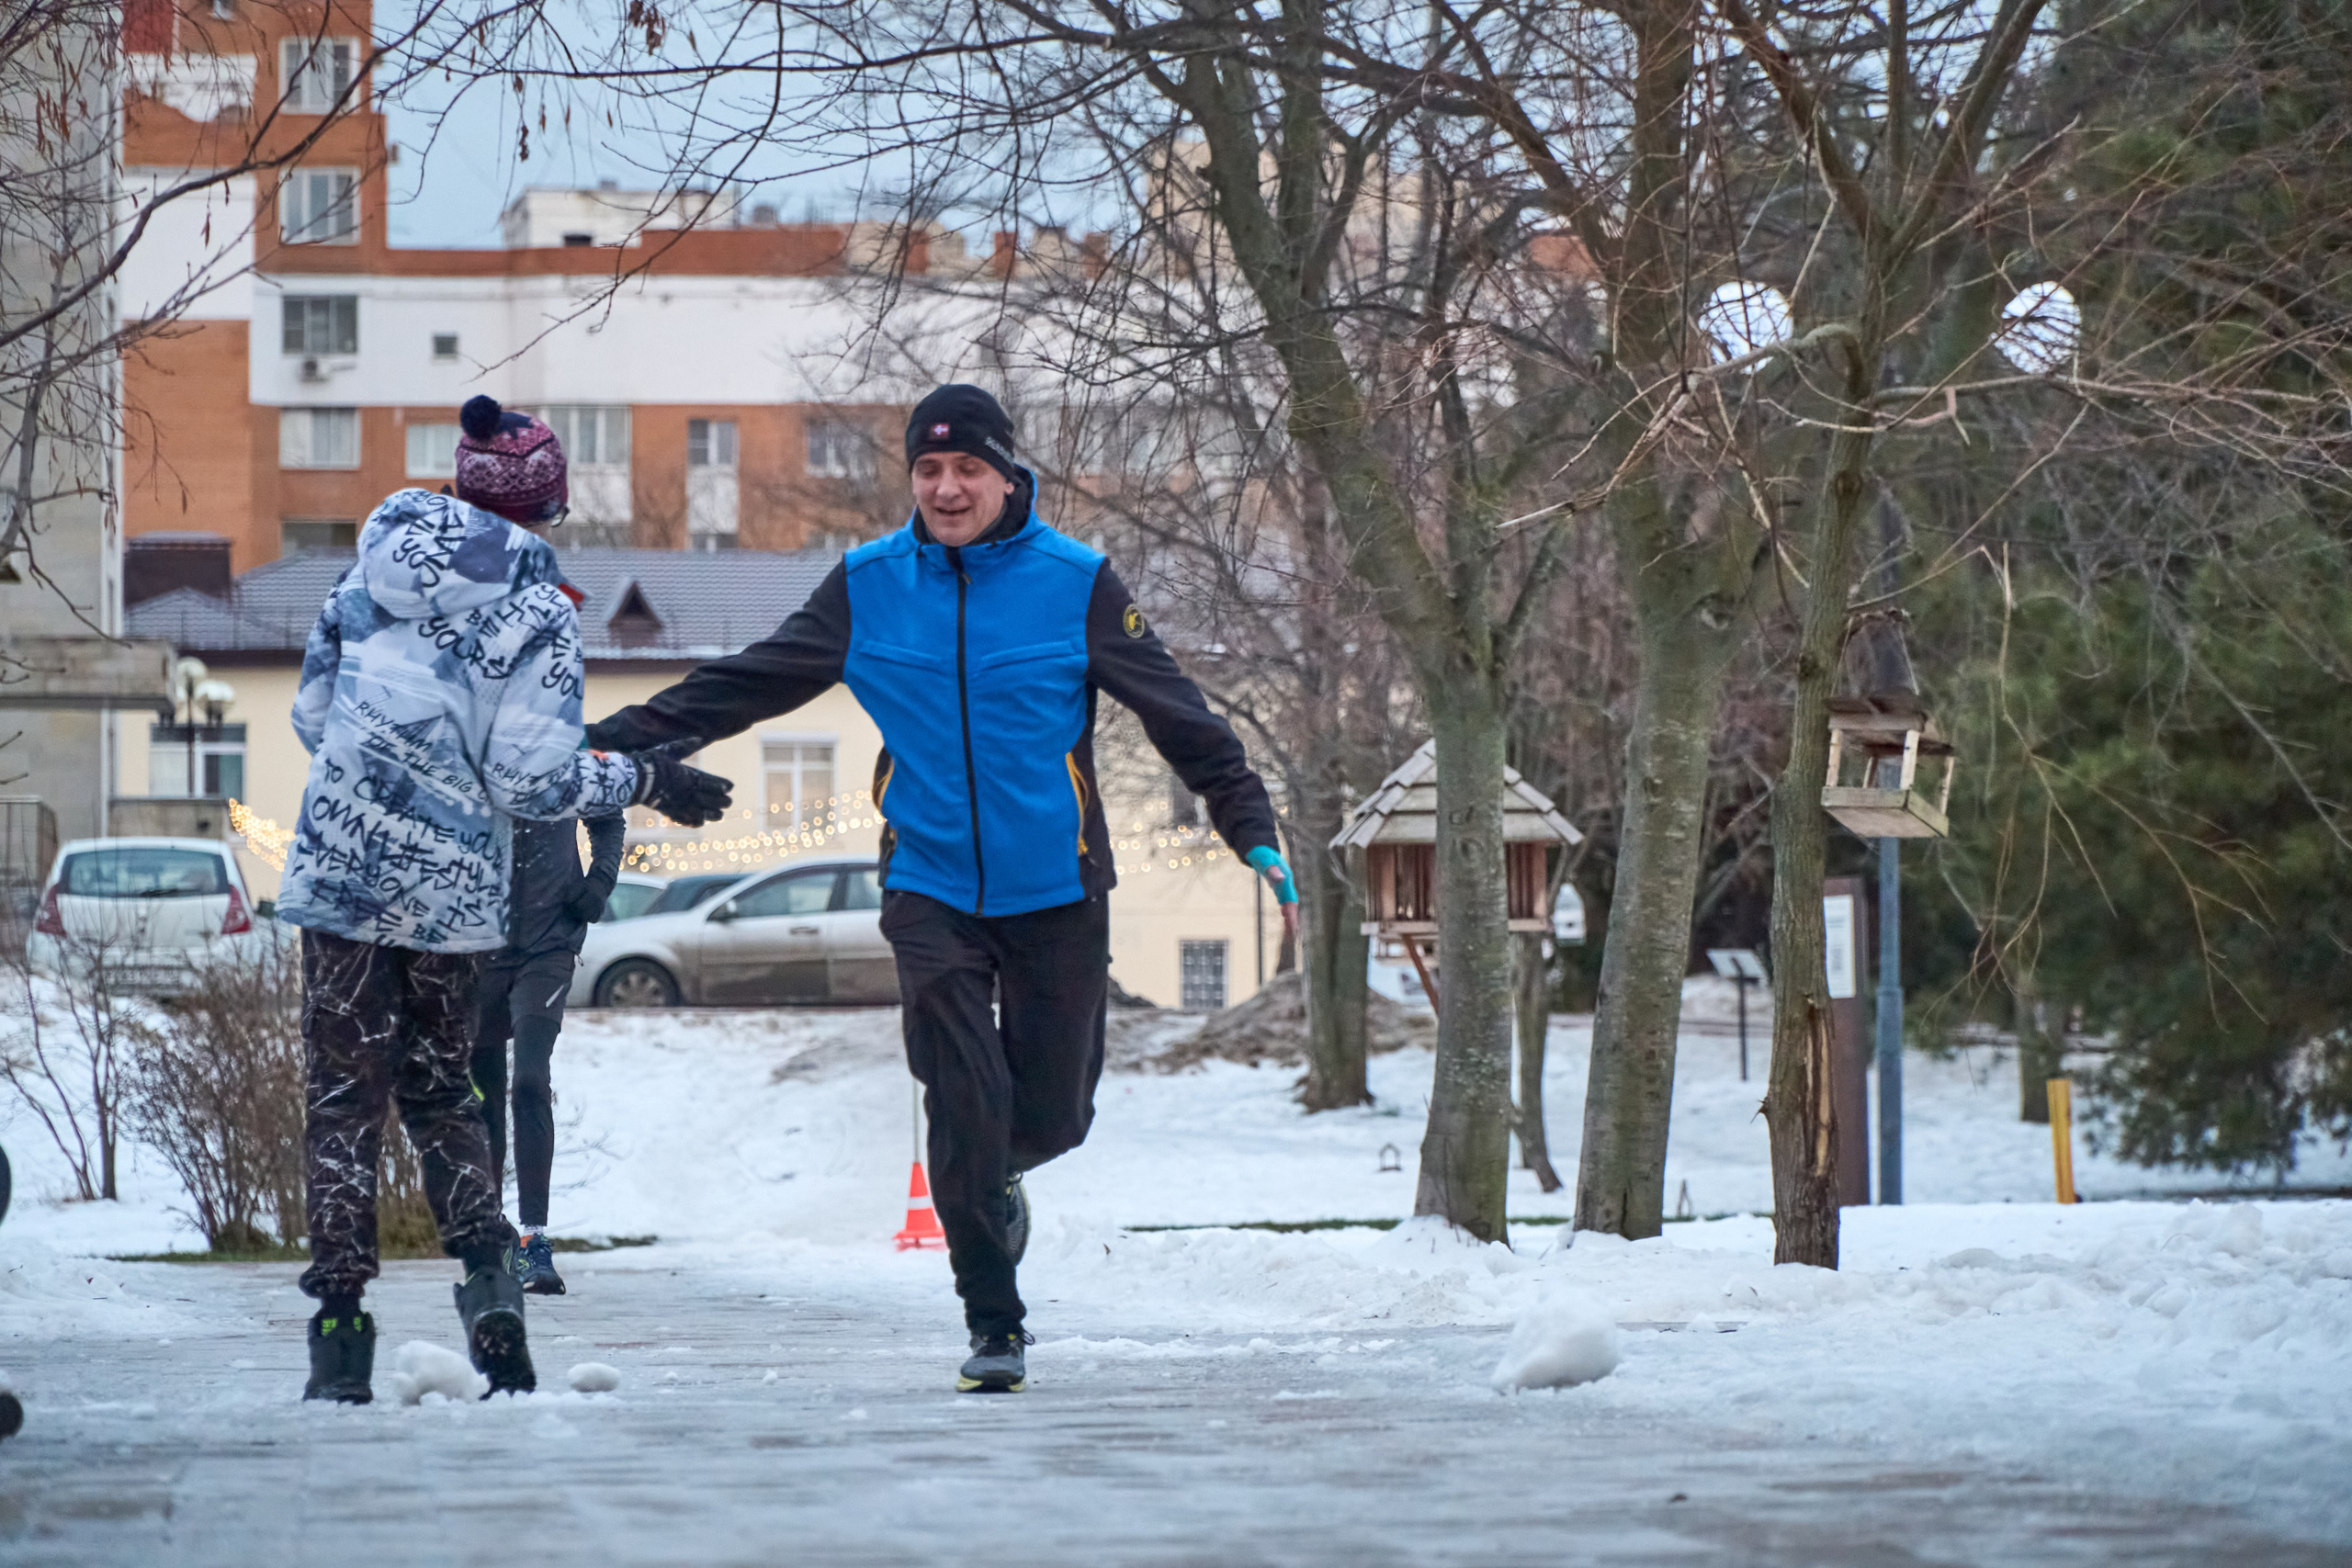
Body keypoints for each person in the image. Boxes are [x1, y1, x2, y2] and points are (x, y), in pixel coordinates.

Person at [585, 384, 1299, 1393]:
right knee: (961, 1102)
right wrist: (606, 742)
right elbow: (746, 681)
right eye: (929, 469)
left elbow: (1181, 716)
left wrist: (1249, 826)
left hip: (1057, 886)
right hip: (927, 884)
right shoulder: (869, 585)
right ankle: (994, 1322)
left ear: (1011, 479)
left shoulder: (1077, 581)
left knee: (1051, 1117)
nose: (948, 487)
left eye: (968, 469)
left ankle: (995, 1179)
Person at [280, 396, 732, 1404]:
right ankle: (492, 1293)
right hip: (450, 897)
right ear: (548, 503)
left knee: (343, 1104)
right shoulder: (537, 615)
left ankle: (341, 1338)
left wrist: (389, 776)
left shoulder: (360, 580)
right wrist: (646, 778)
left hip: (339, 875)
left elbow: (315, 718)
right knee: (446, 1095)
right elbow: (534, 782)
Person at [470, 730, 627, 1296]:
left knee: (531, 1080)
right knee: (480, 1094)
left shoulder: (565, 741)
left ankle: (536, 1242)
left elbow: (608, 817)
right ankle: (494, 1236)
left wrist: (598, 883)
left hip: (548, 944)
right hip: (473, 947)